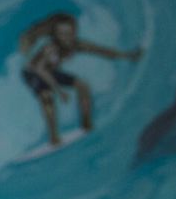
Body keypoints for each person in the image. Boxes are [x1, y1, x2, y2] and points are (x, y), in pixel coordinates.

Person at [17, 12, 143, 148]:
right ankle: (54, 138)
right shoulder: (50, 48)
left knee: (83, 85)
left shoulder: (76, 45)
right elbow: (41, 71)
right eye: (62, 34)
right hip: (33, 72)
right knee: (46, 97)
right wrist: (59, 91)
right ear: (56, 36)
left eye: (70, 33)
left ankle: (87, 125)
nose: (67, 38)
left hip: (50, 71)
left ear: (75, 31)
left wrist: (127, 56)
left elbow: (102, 51)